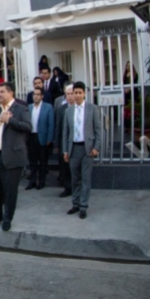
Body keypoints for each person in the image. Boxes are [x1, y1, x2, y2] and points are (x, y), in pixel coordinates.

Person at [0, 83, 32, 232]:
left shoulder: (21, 109)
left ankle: (7, 219)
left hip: (12, 157)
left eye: (2, 91)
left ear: (11, 93)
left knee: (10, 191)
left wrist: (9, 120)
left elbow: (28, 127)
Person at [62, 82, 102, 219]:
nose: (77, 95)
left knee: (85, 178)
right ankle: (76, 203)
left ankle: (83, 206)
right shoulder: (68, 111)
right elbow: (66, 133)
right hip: (73, 148)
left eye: (80, 92)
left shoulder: (92, 108)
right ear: (72, 94)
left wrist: (96, 147)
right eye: (75, 93)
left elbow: (98, 130)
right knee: (75, 178)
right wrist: (65, 151)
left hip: (87, 149)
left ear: (84, 93)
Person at [26, 88, 54, 191]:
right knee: (32, 162)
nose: (35, 96)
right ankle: (32, 182)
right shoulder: (29, 107)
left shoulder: (48, 107)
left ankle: (41, 182)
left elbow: (51, 124)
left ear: (42, 96)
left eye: (38, 94)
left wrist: (49, 138)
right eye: (34, 94)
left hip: (42, 137)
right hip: (31, 137)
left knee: (42, 162)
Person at [53, 84, 74, 198]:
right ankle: (67, 188)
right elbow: (58, 126)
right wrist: (56, 143)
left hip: (76, 142)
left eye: (72, 94)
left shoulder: (81, 108)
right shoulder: (61, 109)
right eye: (68, 94)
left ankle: (77, 187)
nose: (70, 96)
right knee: (64, 167)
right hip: (63, 142)